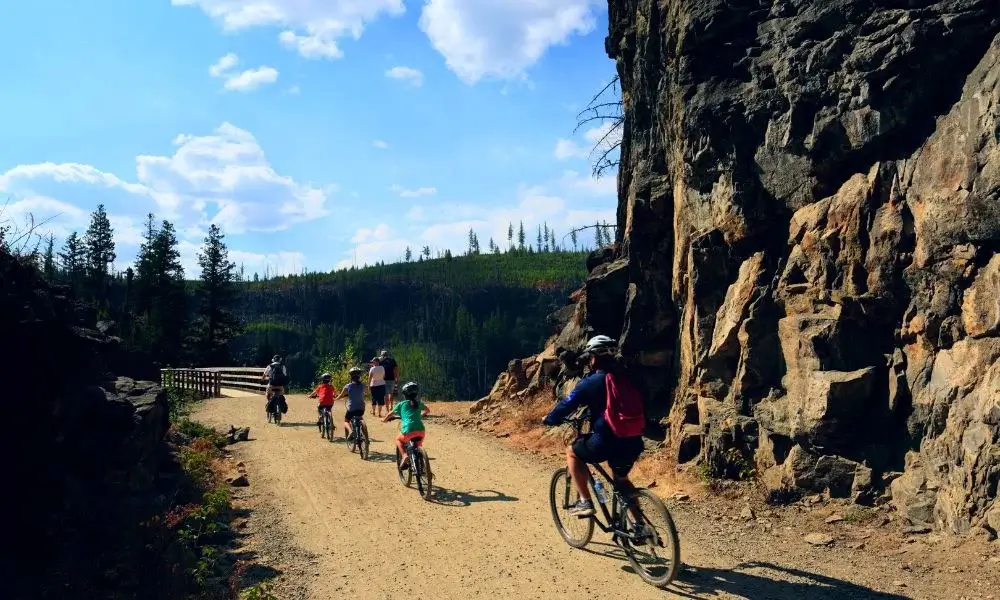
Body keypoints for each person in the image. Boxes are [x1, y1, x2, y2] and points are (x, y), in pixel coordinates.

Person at [542, 335, 645, 517]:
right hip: (633, 440)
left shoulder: (591, 382)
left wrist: (550, 418)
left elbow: (568, 403)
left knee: (573, 452)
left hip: (605, 441)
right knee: (621, 479)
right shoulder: (627, 377)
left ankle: (585, 502)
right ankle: (641, 527)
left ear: (594, 358)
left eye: (590, 357)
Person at [382, 381, 429, 470]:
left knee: (398, 439)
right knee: (419, 445)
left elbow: (390, 414)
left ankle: (404, 456)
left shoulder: (401, 404)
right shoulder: (419, 403)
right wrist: (420, 416)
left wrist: (384, 420)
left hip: (409, 430)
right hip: (421, 431)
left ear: (404, 395)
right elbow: (427, 410)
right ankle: (422, 465)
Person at [338, 366, 367, 441]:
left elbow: (341, 395)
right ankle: (365, 437)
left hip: (352, 408)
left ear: (351, 376)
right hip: (361, 408)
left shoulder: (348, 386)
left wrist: (336, 398)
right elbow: (367, 392)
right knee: (360, 417)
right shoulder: (363, 385)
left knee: (346, 421)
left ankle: (351, 432)